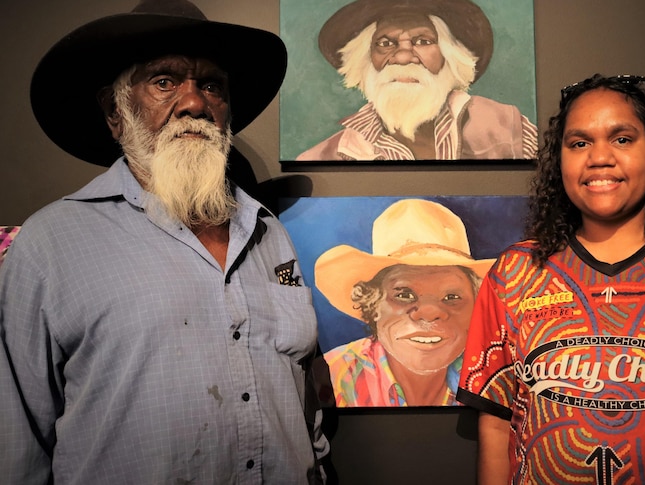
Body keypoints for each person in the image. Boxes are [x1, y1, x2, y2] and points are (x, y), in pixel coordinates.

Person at [0, 1, 328, 483]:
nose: (195, 103)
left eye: (211, 85)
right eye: (164, 81)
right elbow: (16, 445)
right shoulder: (50, 245)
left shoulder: (269, 233)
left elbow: (303, 402)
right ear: (116, 112)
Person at [456, 74, 645, 484]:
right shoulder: (515, 272)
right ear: (559, 161)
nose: (599, 158)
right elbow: (495, 424)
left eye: (622, 139)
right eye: (579, 143)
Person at [296, 0, 538, 161]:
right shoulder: (324, 157)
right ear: (365, 59)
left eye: (423, 41)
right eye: (384, 43)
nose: (402, 57)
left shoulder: (508, 127)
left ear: (450, 57)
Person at [314, 199, 494, 406]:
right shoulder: (333, 376)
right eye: (404, 294)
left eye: (451, 297)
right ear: (372, 305)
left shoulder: (493, 377)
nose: (429, 312)